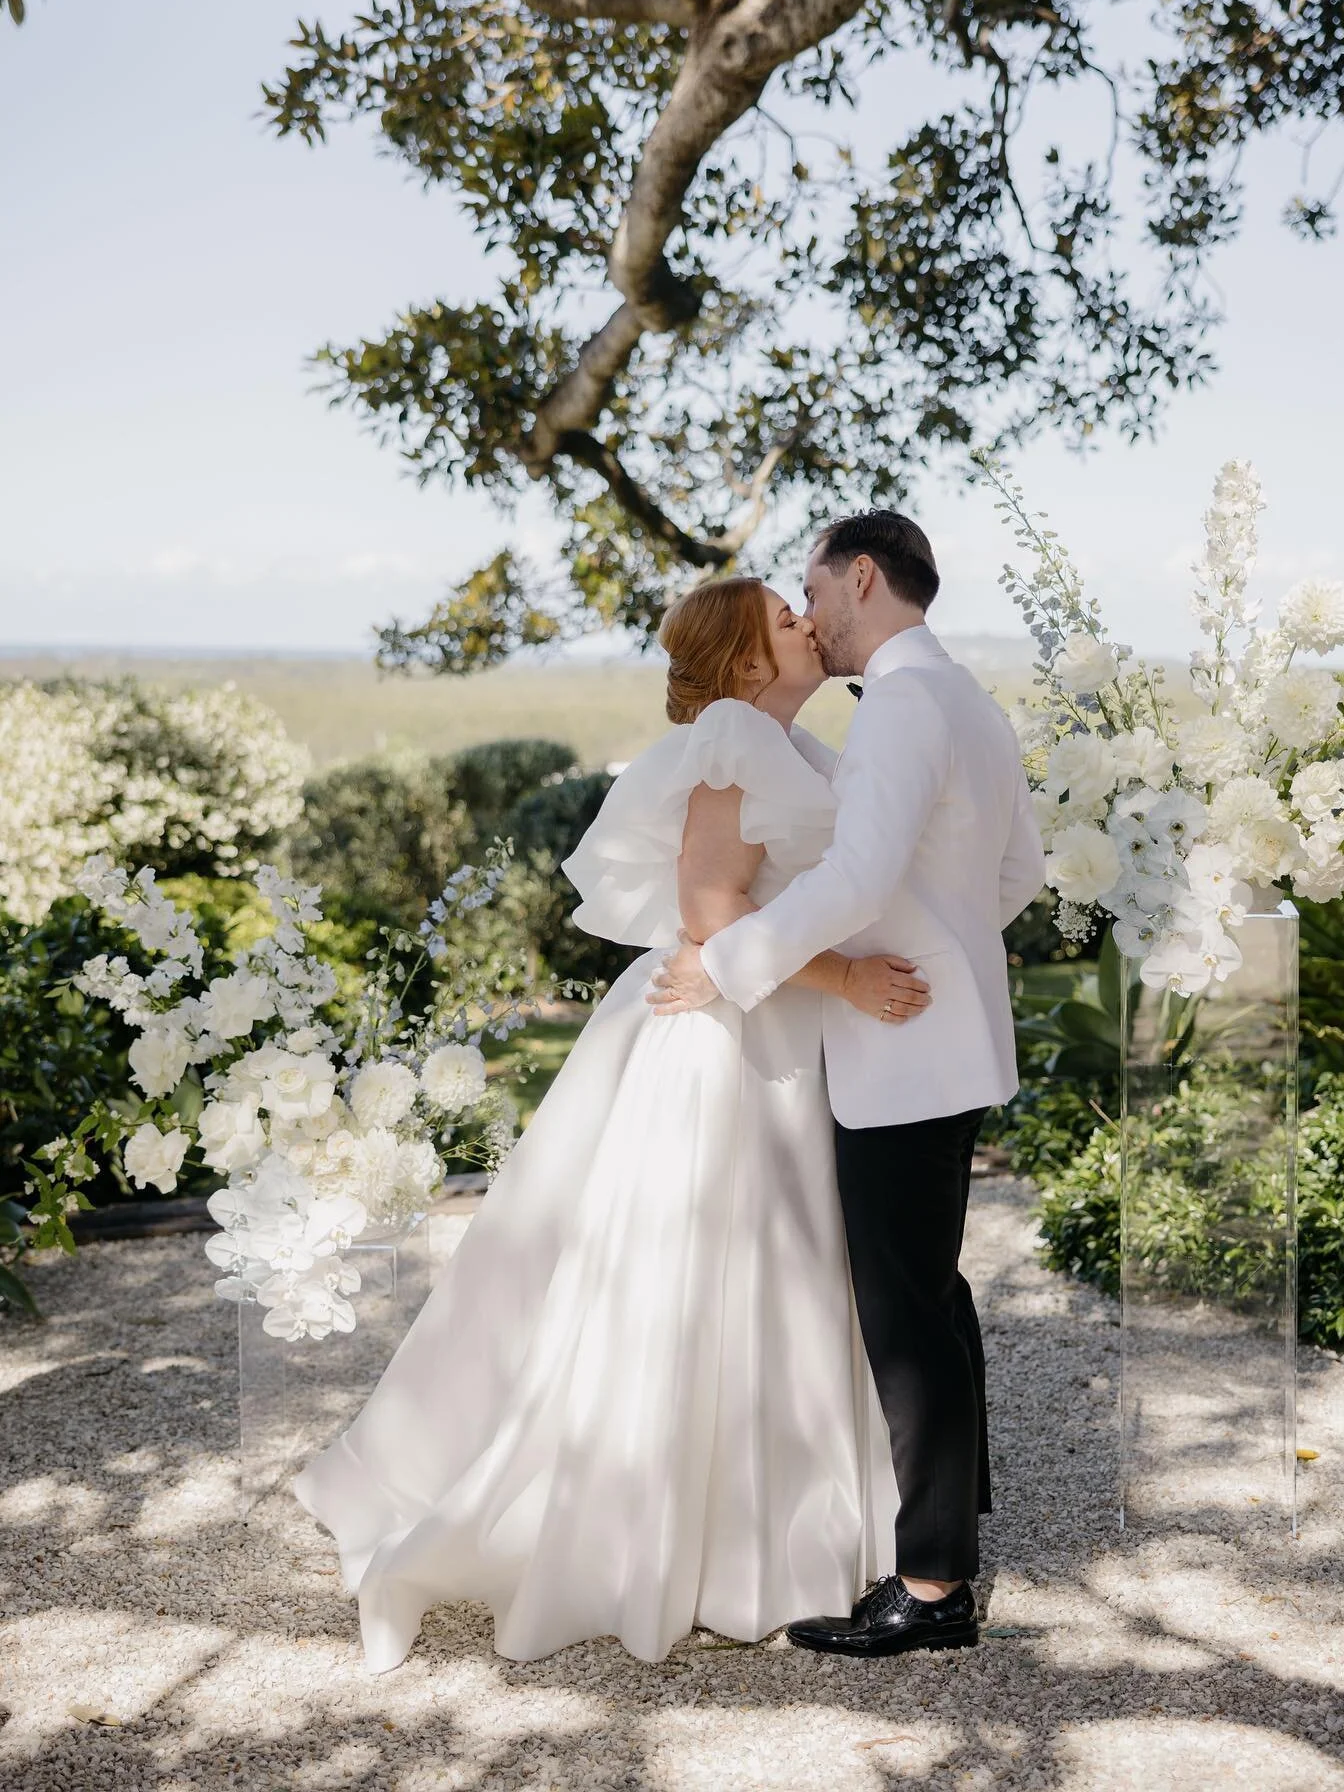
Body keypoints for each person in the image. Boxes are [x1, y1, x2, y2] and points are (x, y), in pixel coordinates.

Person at [292, 574, 935, 1669]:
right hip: (736, 1040)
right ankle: (697, 1538)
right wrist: (851, 981)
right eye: (786, 618)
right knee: (711, 1269)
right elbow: (711, 910)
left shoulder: (789, 742)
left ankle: (768, 1528)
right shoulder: (737, 734)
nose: (807, 624)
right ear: (741, 663)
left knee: (774, 1271)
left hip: (763, 1025)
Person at [650, 510, 1046, 1658]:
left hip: (903, 1048)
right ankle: (946, 1540)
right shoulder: (967, 698)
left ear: (860, 576)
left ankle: (929, 1590)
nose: (811, 614)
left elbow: (862, 877)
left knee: (905, 1309)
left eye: (814, 589)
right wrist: (945, 948)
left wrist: (725, 964)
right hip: (946, 1037)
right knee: (933, 1290)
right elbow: (1011, 872)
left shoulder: (902, 708)